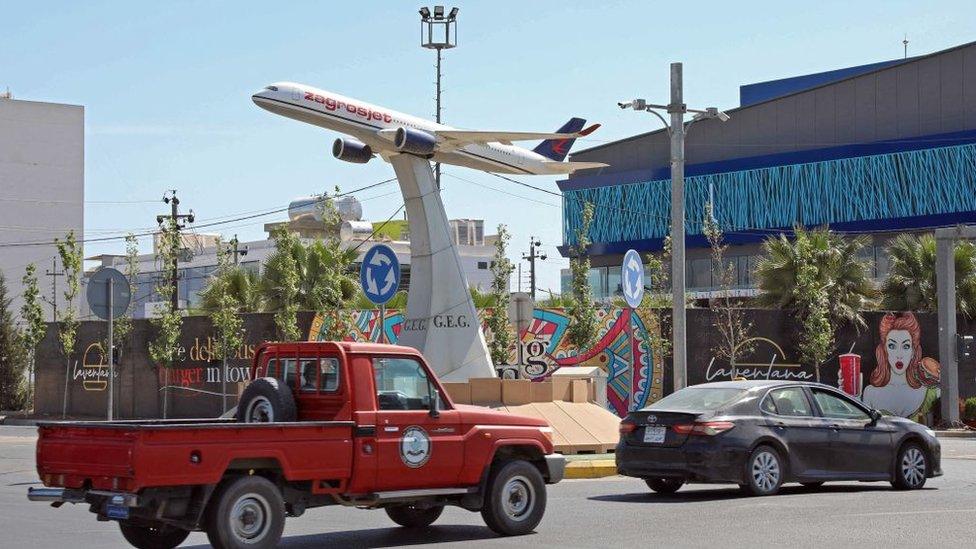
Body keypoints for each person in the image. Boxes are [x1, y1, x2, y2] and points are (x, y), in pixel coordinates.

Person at [859, 312, 940, 421]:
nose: (899, 355)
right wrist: (851, 397)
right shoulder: (870, 393)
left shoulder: (930, 392)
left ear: (913, 352)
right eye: (892, 346)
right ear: (884, 350)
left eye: (906, 346)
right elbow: (860, 428)